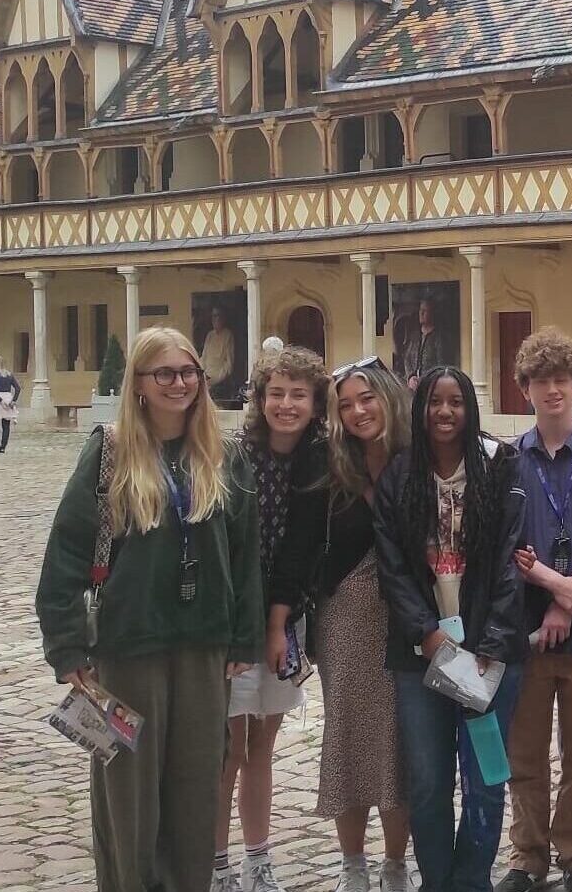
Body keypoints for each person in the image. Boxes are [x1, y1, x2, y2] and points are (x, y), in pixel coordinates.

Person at [36, 326, 260, 892]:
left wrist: (244, 637)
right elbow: (66, 549)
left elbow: (246, 554)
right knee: (128, 796)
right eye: (164, 373)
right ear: (138, 383)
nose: (179, 383)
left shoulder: (223, 454)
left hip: (203, 645)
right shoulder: (110, 451)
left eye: (188, 373)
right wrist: (65, 647)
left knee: (195, 787)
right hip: (127, 646)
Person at [372, 366, 528, 892]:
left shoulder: (501, 467)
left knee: (485, 778)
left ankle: (471, 881)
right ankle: (437, 881)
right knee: (428, 782)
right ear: (420, 410)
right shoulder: (399, 477)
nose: (444, 411)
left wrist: (487, 648)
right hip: (422, 657)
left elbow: (510, 564)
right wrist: (427, 633)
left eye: (455, 401)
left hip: (490, 653)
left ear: (470, 408)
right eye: (434, 402)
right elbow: (391, 568)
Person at [268, 358, 413, 892]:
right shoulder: (327, 461)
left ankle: (396, 864)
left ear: (388, 398)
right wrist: (278, 621)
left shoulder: (413, 457)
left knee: (399, 741)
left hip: (411, 618)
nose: (357, 412)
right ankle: (354, 864)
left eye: (366, 399)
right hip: (347, 614)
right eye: (346, 404)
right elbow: (299, 544)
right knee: (350, 738)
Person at [494, 330, 572, 892]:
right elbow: (504, 547)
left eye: (561, 380)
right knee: (524, 754)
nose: (552, 389)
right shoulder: (505, 464)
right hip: (526, 633)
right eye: (539, 380)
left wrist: (571, 595)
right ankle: (526, 855)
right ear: (525, 389)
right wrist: (550, 590)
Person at [214, 347, 331, 892]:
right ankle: (215, 864)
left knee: (262, 747)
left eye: (298, 395)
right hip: (229, 620)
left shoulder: (317, 461)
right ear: (259, 399)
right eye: (276, 393)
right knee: (225, 751)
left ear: (314, 403)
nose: (286, 404)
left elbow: (303, 549)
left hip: (286, 618)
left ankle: (258, 860)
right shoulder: (232, 455)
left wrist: (279, 624)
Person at [401, 299, 454, 389]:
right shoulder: (414, 335)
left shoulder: (439, 337)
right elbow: (407, 358)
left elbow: (441, 364)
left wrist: (427, 379)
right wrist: (410, 377)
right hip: (413, 385)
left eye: (425, 311)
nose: (421, 313)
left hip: (432, 385)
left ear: (432, 313)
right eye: (420, 310)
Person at [203, 307, 239, 404]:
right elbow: (204, 357)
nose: (215, 319)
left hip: (219, 382)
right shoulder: (210, 335)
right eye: (213, 316)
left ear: (223, 318)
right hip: (206, 379)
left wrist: (215, 380)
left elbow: (229, 364)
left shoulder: (228, 335)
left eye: (218, 316)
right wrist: (202, 375)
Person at [0, 355, 20, 451]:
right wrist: (13, 400)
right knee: (6, 425)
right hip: (8, 398)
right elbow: (18, 388)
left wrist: (0, 401)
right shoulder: (9, 375)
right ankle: (2, 447)